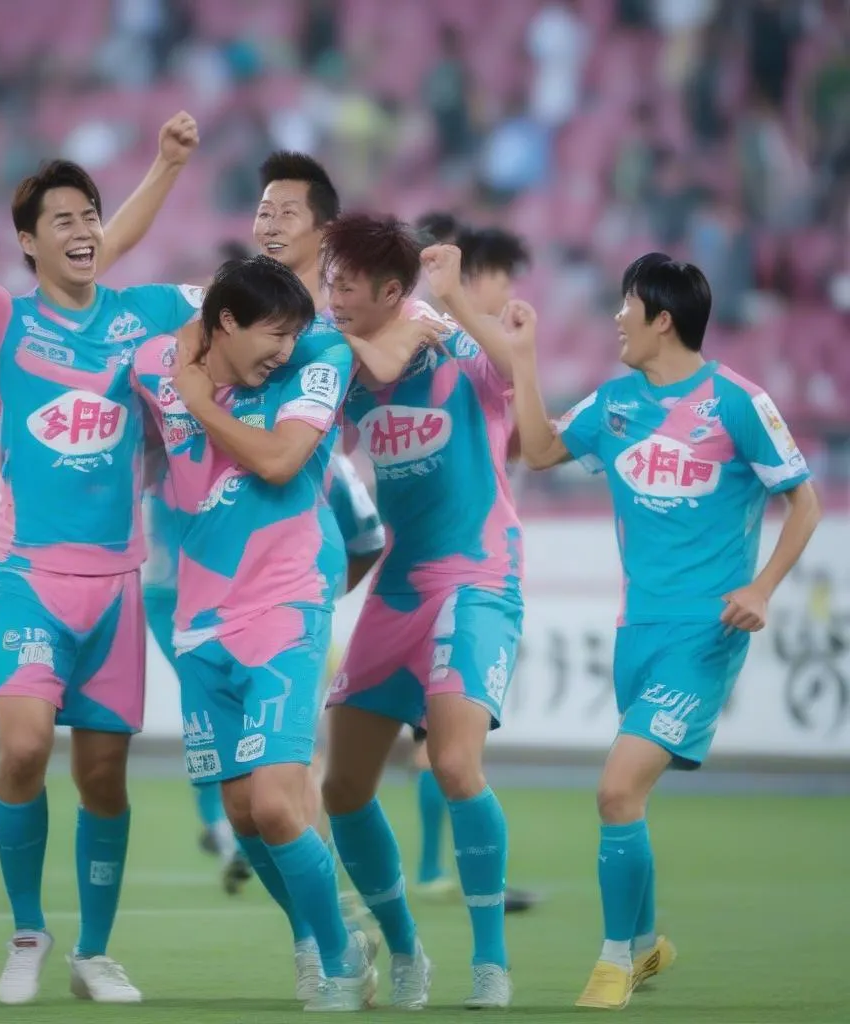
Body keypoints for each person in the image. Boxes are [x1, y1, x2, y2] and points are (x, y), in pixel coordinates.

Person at [0, 113, 201, 1005]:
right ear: (29, 244)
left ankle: (95, 954)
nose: (81, 229)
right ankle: (28, 931)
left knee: (105, 776)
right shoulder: (1, 320)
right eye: (62, 220)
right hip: (31, 579)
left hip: (118, 586)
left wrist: (165, 163)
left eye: (91, 216)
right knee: (26, 748)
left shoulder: (146, 314)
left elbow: (244, 310)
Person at [496, 251, 821, 1009]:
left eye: (626, 306)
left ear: (661, 319)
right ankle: (647, 947)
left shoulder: (738, 402)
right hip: (634, 632)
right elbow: (540, 451)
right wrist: (524, 357)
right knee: (628, 801)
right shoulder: (615, 404)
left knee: (615, 790)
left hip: (705, 635)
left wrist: (763, 588)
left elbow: (802, 503)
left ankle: (613, 961)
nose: (616, 319)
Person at [132, 255, 420, 1011]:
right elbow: (108, 342)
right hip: (199, 619)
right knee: (238, 812)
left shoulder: (308, 375)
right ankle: (330, 938)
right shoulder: (152, 365)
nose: (285, 349)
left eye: (296, 333)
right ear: (226, 322)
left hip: (286, 608)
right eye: (273, 333)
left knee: (275, 802)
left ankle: (338, 960)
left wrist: (200, 404)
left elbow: (279, 459)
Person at [320, 217, 526, 1010]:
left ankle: (491, 961)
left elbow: (521, 370)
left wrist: (456, 305)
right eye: (328, 280)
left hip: (477, 577)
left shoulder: (453, 342)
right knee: (342, 788)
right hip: (399, 586)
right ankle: (406, 950)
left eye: (346, 285)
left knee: (453, 764)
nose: (332, 297)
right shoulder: (345, 371)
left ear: (390, 292)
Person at [407, 217, 538, 913]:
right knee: (442, 746)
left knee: (442, 745)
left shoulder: (472, 355)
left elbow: (516, 442)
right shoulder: (435, 340)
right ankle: (436, 870)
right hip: (443, 570)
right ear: (471, 273)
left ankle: (439, 870)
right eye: (501, 277)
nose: (506, 291)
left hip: (455, 566)